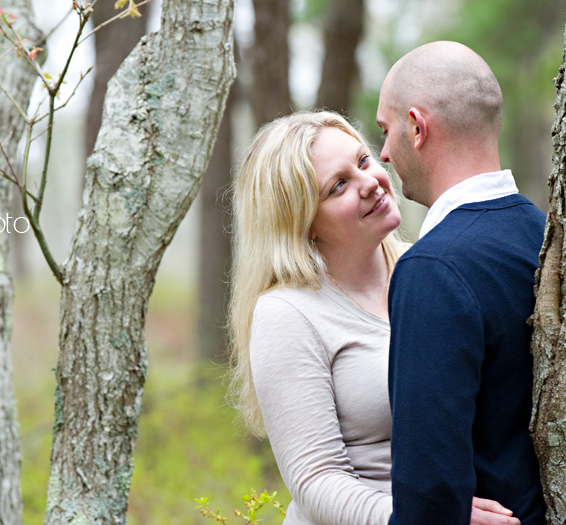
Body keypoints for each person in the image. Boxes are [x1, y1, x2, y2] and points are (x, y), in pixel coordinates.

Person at [229, 111, 522, 525]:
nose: (370, 183)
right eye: (339, 186)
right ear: (302, 222)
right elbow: (316, 480)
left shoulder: (428, 269)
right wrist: (433, 516)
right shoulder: (288, 312)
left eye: (363, 161)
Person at [376, 41, 548, 525]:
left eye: (386, 131)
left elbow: (427, 488)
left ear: (417, 125)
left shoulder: (433, 268)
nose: (385, 154)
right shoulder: (544, 233)